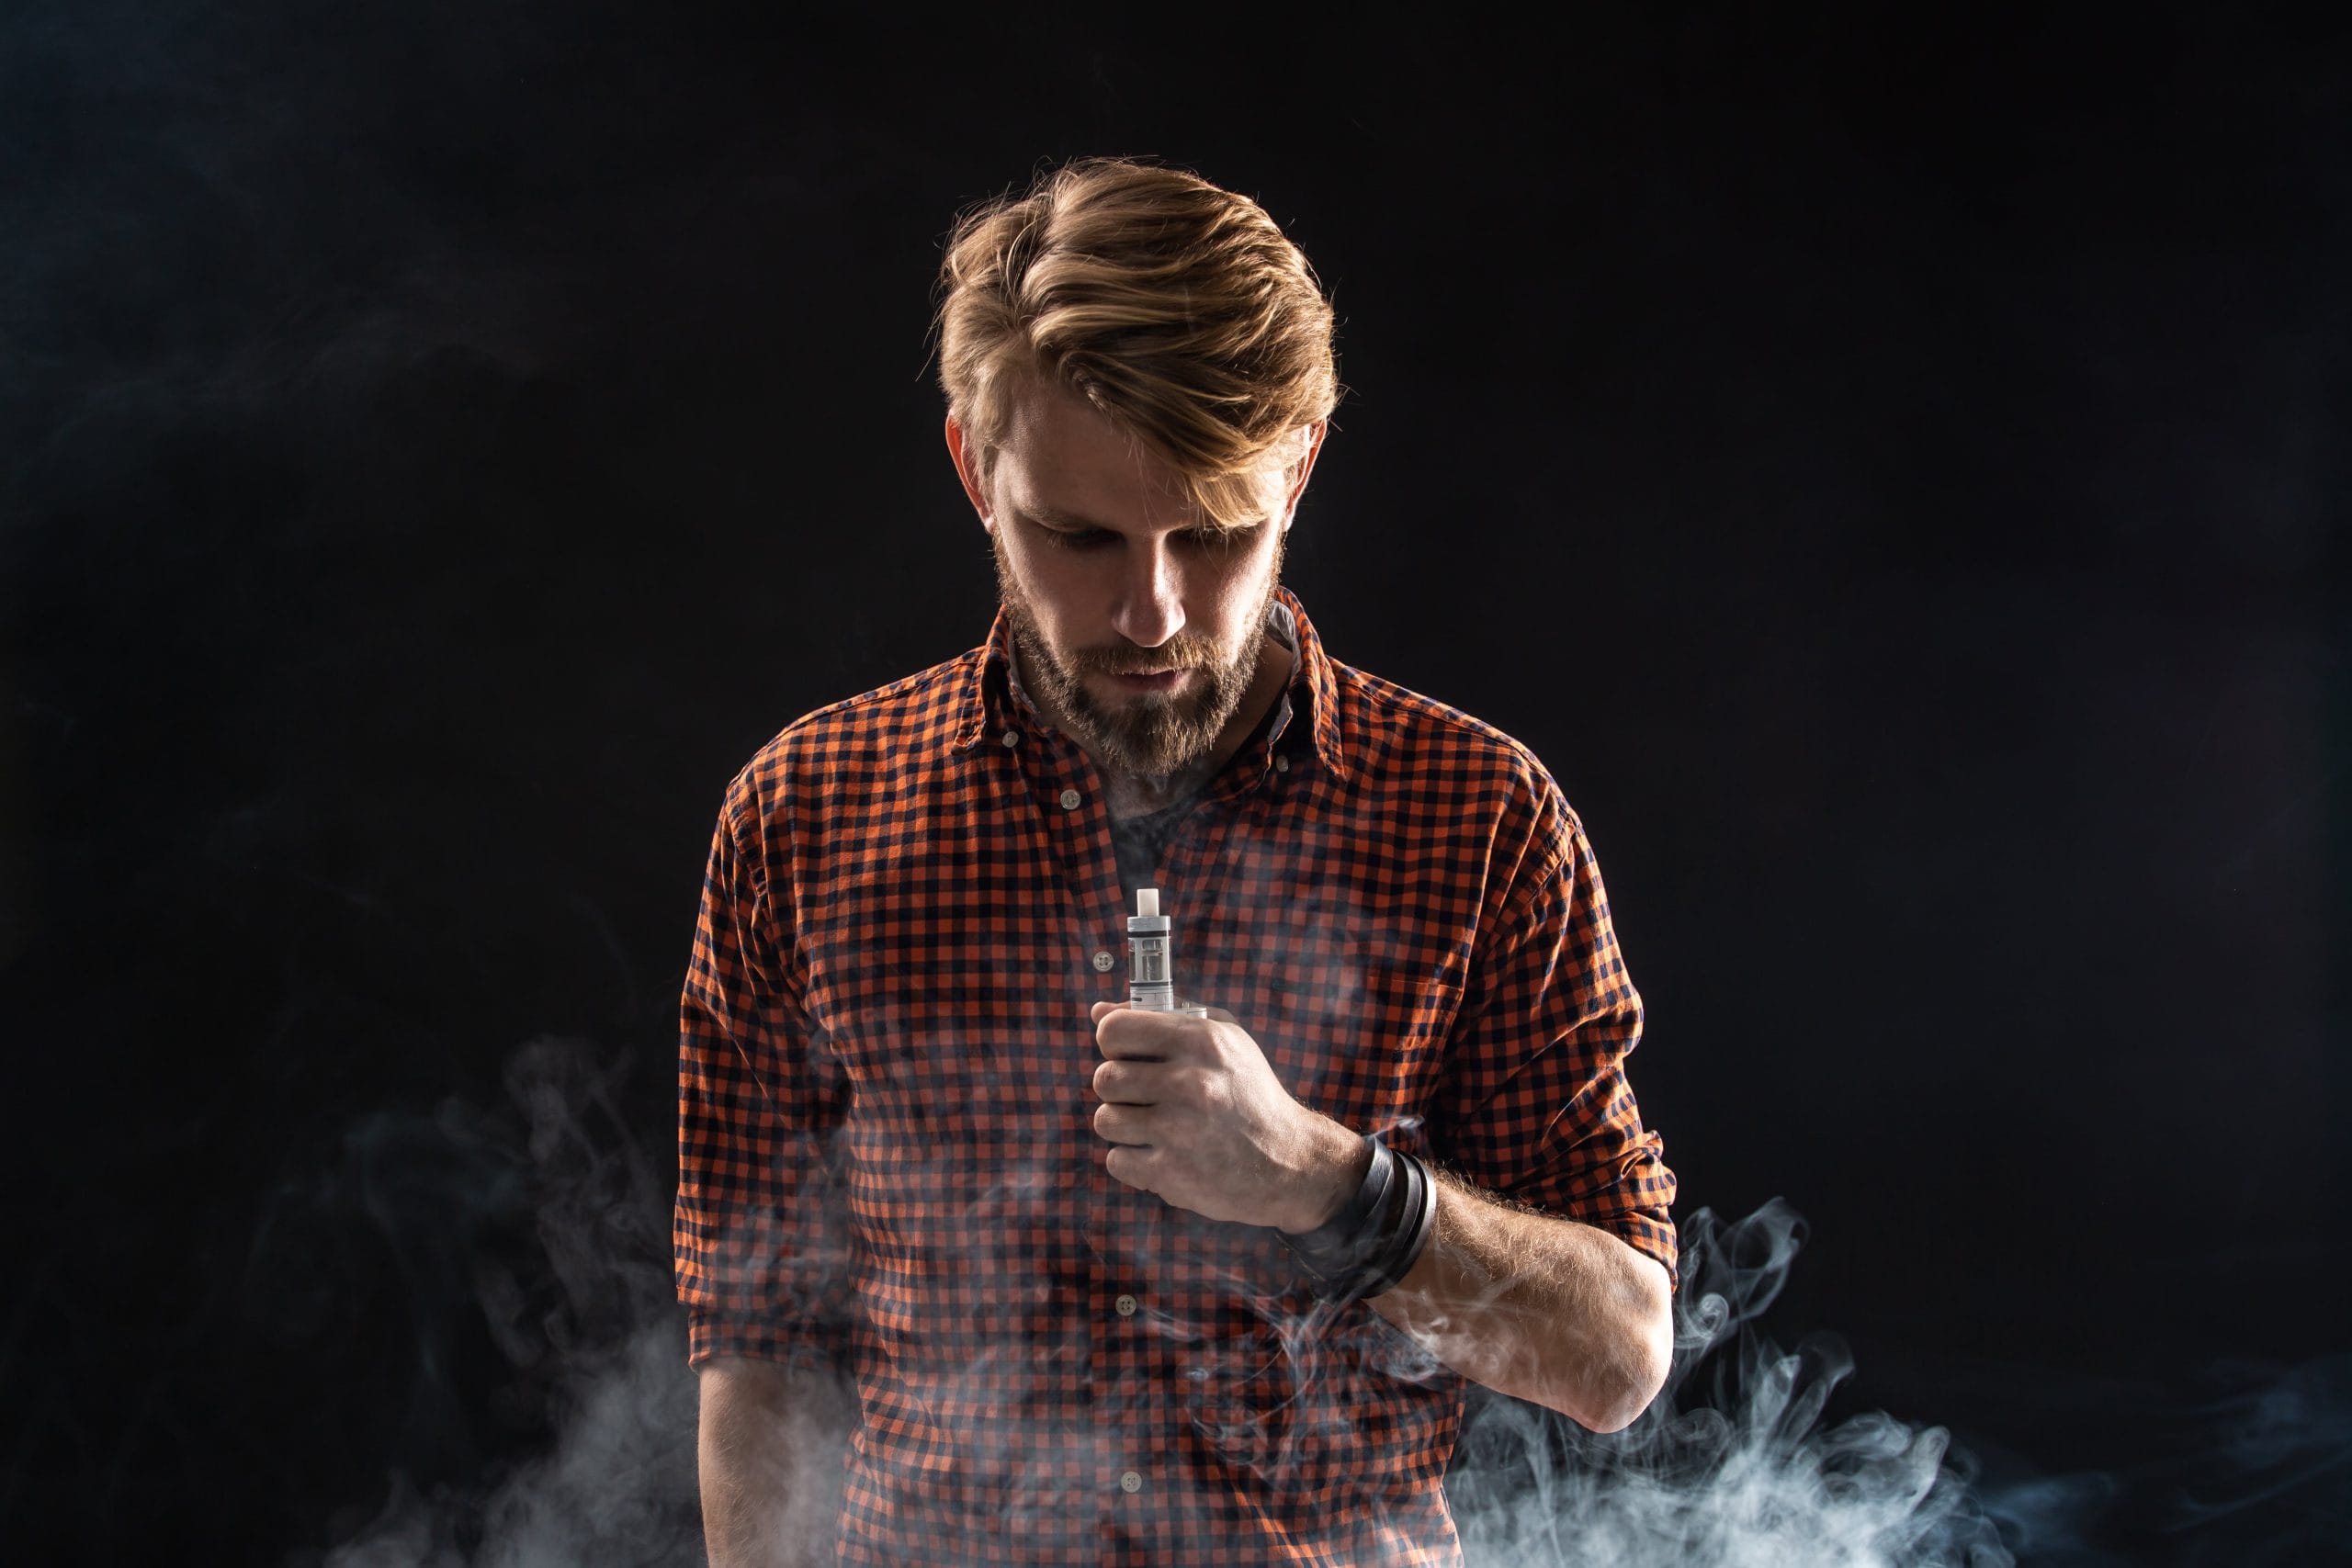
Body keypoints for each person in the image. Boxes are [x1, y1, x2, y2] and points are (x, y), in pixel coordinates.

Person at [676, 158, 1678, 1568]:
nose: (1151, 612)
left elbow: (1616, 1359)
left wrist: (1330, 1186)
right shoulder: (805, 815)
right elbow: (761, 1343)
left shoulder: (1482, 819)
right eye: (1078, 536)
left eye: (1213, 535)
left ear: (1301, 469)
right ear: (974, 470)